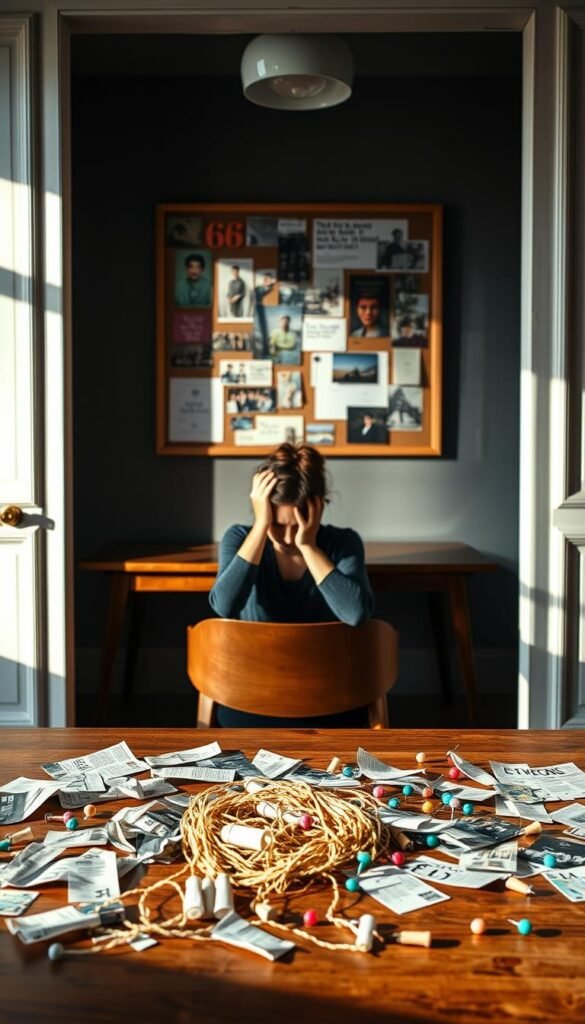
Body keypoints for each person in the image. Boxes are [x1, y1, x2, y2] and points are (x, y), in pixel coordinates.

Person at [209, 443, 375, 727]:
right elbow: (224, 606)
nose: (286, 538)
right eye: (276, 524)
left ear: (318, 507)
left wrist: (308, 546)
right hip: (251, 703)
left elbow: (356, 613)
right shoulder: (239, 538)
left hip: (330, 705)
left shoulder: (342, 544)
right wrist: (260, 528)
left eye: (296, 525)